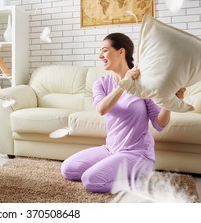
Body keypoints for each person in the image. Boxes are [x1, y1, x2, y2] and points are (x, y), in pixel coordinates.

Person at [61, 32, 186, 193]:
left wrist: (171, 102)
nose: (100, 55)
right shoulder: (102, 83)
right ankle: (121, 172)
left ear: (121, 52)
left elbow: (159, 124)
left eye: (105, 50)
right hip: (110, 149)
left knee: (91, 180)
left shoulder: (143, 83)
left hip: (137, 154)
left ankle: (141, 179)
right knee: (68, 169)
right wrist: (124, 84)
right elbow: (101, 109)